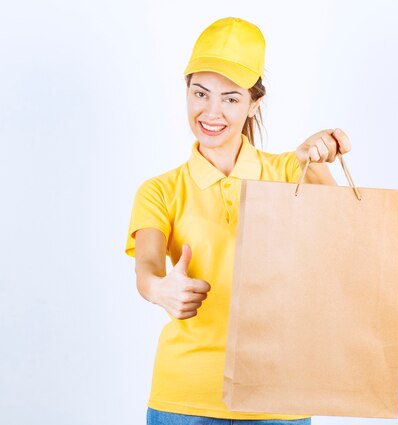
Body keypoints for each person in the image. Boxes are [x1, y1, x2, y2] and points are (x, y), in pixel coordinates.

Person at [124, 17, 352, 425]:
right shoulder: (159, 190)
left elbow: (347, 245)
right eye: (200, 93)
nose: (211, 112)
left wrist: (319, 161)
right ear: (187, 92)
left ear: (253, 104)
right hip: (185, 400)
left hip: (280, 399)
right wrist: (161, 290)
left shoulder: (289, 172)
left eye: (230, 98)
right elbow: (147, 269)